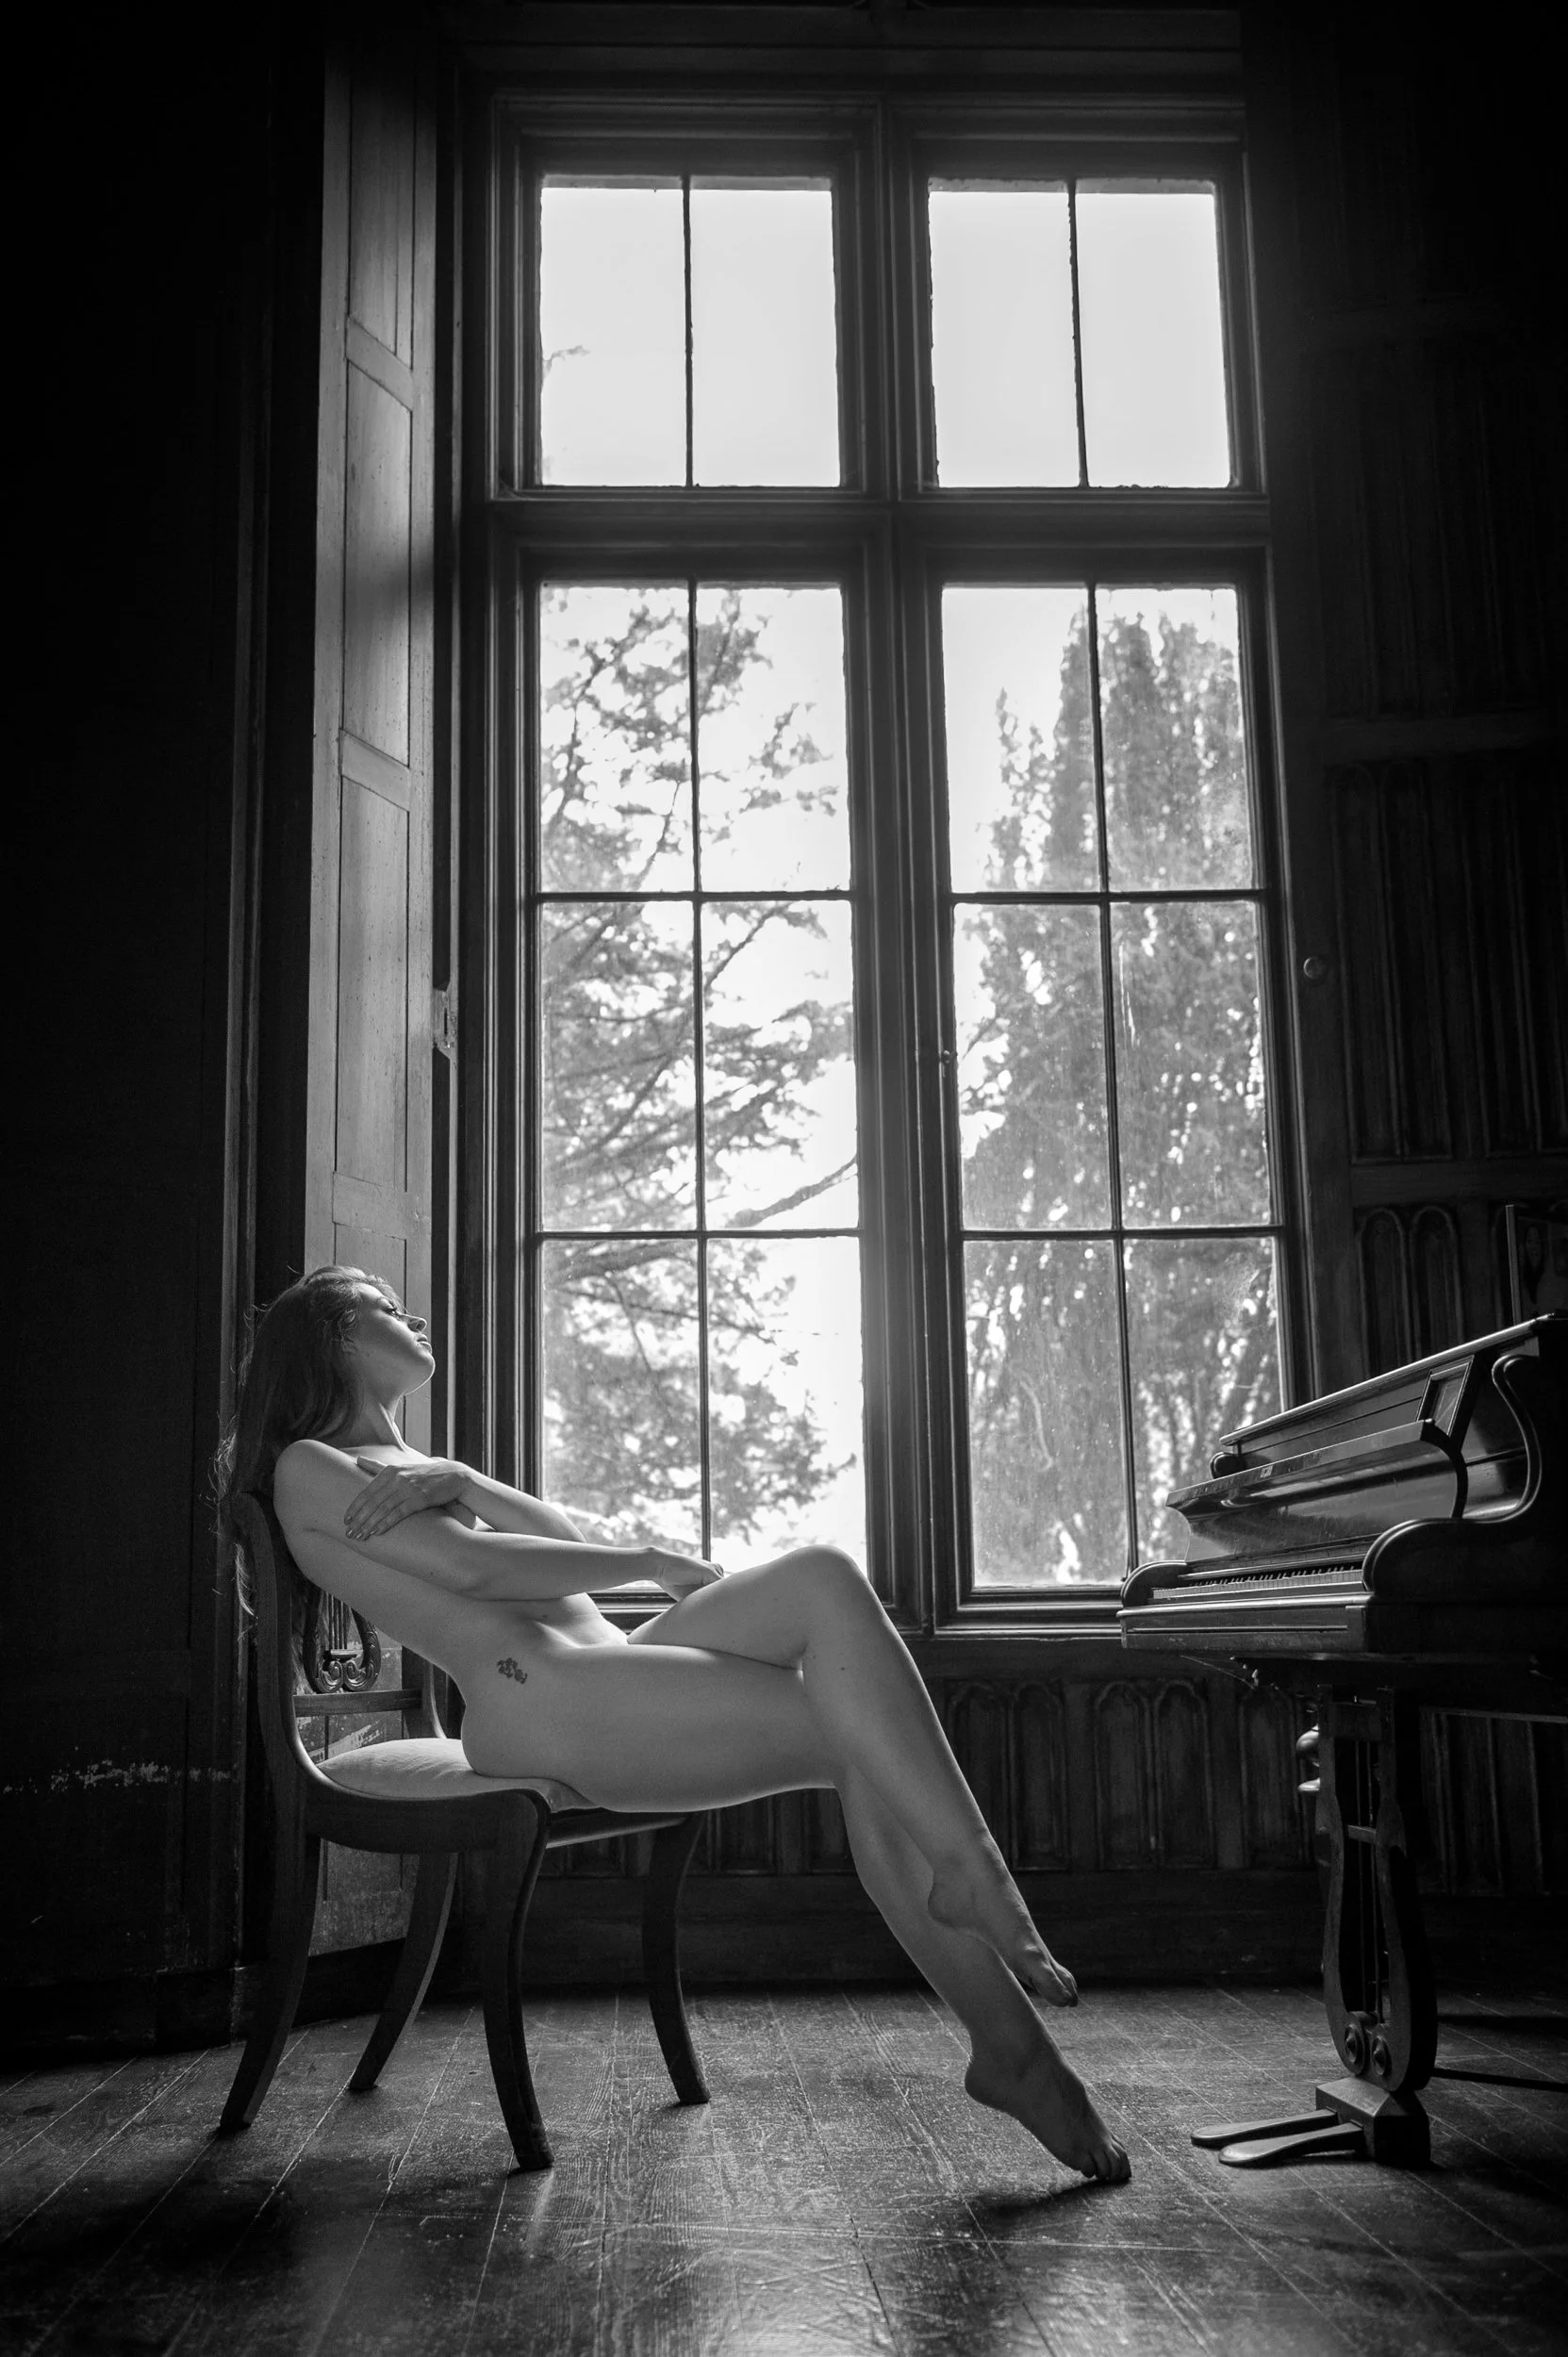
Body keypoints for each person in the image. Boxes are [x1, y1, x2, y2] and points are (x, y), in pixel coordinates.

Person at [218, 1263, 1131, 2184]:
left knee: (822, 1579)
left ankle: (990, 1970)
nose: (411, 1314)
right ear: (333, 1339)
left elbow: (547, 1540)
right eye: (382, 1308)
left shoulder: (415, 1468)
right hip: (541, 1703)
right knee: (864, 1734)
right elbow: (472, 1570)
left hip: (600, 1670)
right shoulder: (309, 1466)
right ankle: (996, 1984)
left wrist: (465, 1478)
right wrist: (651, 1556)